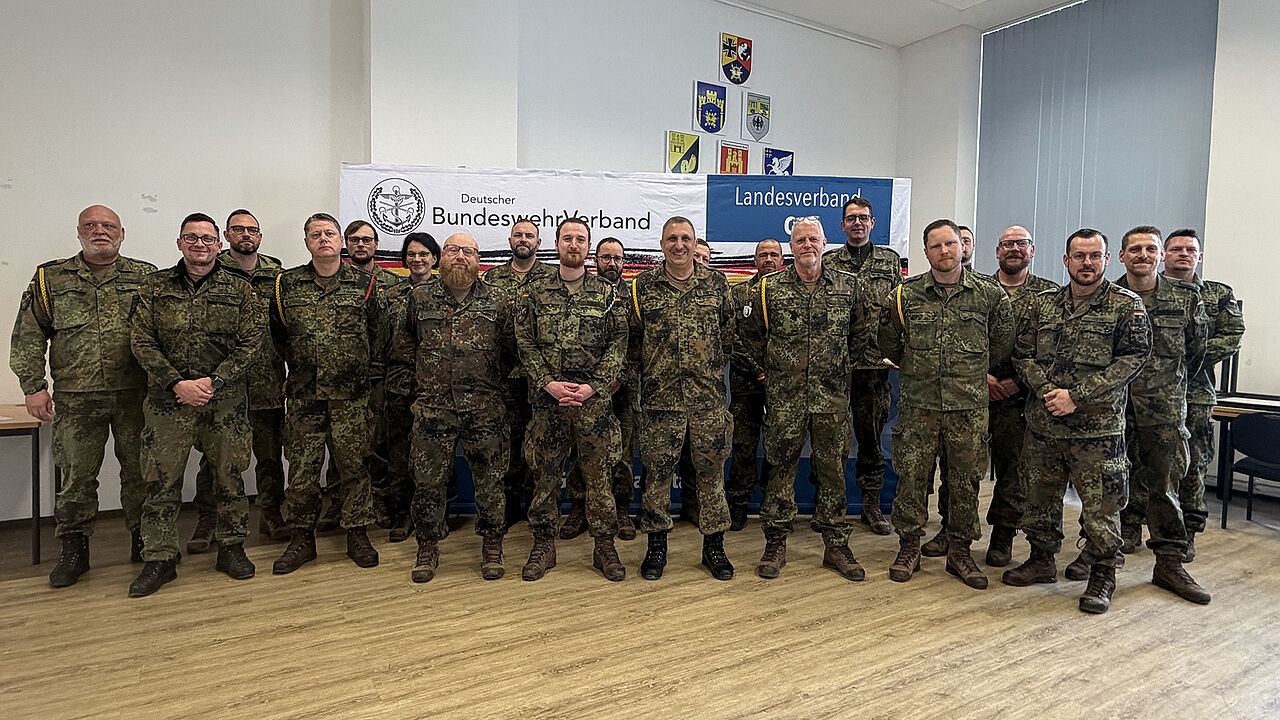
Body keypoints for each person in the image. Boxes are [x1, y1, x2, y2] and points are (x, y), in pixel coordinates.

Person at [1002, 228, 1149, 614]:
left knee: (1101, 506)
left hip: (1096, 430)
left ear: (1106, 259)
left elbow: (1133, 358)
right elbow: (1022, 354)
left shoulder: (1125, 305)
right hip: (1044, 424)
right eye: (1079, 256)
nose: (1087, 263)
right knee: (1039, 497)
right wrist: (1049, 391)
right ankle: (1041, 558)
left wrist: (1076, 397)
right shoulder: (1042, 305)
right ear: (1066, 261)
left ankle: (1102, 573)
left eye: (1094, 256)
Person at [10, 204, 156, 587]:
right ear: (79, 232)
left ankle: (144, 542)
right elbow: (28, 333)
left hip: (135, 395)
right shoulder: (50, 278)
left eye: (108, 225)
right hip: (77, 397)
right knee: (76, 477)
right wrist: (33, 386)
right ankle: (74, 550)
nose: (100, 231)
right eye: (91, 225)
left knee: (141, 473)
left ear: (122, 233)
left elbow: (164, 334)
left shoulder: (146, 277)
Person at [128, 212, 262, 597]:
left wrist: (214, 381)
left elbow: (251, 342)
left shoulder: (238, 289)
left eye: (207, 238)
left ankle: (232, 547)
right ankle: (160, 558)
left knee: (230, 477)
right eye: (191, 238)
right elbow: (141, 340)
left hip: (224, 401)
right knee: (160, 481)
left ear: (219, 244)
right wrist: (177, 383)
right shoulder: (154, 287)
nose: (199, 244)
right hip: (168, 401)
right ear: (179, 243)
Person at [739, 217, 877, 581]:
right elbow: (750, 337)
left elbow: (861, 334)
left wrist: (836, 367)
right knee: (780, 469)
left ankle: (835, 543)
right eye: (800, 240)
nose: (807, 245)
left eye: (813, 239)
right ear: (791, 245)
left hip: (831, 399)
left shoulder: (849, 287)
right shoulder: (769, 290)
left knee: (832, 471)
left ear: (824, 242)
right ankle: (776, 542)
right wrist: (771, 369)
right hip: (785, 399)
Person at [880, 219, 1013, 589]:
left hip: (968, 410)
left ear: (963, 246)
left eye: (950, 244)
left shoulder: (989, 295)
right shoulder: (904, 295)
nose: (944, 251)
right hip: (918, 407)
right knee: (912, 480)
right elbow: (889, 344)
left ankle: (960, 551)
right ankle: (909, 547)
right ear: (926, 252)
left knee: (965, 482)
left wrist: (969, 372)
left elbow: (1001, 345)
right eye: (936, 246)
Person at [393, 233, 515, 582]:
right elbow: (404, 347)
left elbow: (511, 353)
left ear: (479, 260)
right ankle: (427, 548)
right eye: (452, 250)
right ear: (440, 258)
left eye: (468, 251)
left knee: (490, 483)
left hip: (485, 410)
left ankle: (492, 545)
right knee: (428, 484)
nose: (460, 257)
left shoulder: (498, 301)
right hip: (433, 410)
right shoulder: (418, 298)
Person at [270, 212, 385, 574]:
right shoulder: (285, 285)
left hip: (351, 396)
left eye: (329, 233)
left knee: (353, 467)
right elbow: (277, 336)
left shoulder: (365, 284)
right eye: (315, 234)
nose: (323, 239)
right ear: (306, 242)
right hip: (304, 397)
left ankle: (357, 533)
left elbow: (378, 337)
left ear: (341, 241)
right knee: (302, 471)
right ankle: (301, 538)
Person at [514, 217, 628, 581]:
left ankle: (604, 546)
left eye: (580, 239)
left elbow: (618, 345)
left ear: (588, 247)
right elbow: (524, 342)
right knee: (545, 477)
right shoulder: (534, 291)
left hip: (593, 405)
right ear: (557, 244)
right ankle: (543, 545)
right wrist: (548, 383)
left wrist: (594, 386)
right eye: (567, 239)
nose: (573, 245)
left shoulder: (608, 294)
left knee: (598, 478)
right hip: (549, 403)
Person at [631, 217, 736, 581]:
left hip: (707, 403)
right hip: (661, 403)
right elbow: (634, 341)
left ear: (695, 244)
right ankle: (656, 547)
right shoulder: (642, 286)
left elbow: (729, 335)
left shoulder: (717, 284)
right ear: (661, 244)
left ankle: (714, 548)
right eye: (672, 238)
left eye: (685, 238)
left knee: (711, 478)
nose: (679, 245)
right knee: (657, 479)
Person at [1115, 226, 1211, 604]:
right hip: (1115, 409)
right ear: (1121, 256)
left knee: (1166, 489)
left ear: (1160, 255)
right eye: (1134, 249)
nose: (1142, 254)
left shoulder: (1187, 299)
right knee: (1111, 485)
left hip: (1164, 410)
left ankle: (1169, 564)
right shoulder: (1108, 299)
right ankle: (1106, 554)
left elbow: (1195, 354)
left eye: (1150, 248)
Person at [189, 209, 286, 550]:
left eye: (253, 230)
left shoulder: (277, 276)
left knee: (270, 455)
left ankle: (272, 513)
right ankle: (209, 519)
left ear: (259, 237)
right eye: (238, 229)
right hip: (223, 382)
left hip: (267, 379)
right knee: (214, 457)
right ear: (226, 236)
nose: (246, 235)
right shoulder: (210, 272)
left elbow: (288, 328)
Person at [1161, 229, 1244, 560]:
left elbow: (1233, 334)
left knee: (1193, 463)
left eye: (1190, 249)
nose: (1183, 254)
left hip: (1195, 392)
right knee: (1139, 459)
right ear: (1163, 254)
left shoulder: (1217, 294)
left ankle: (1187, 531)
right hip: (1145, 393)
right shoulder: (1145, 293)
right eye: (1176, 249)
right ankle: (1130, 526)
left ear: (1200, 256)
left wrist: (1189, 356)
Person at [823, 197, 902, 535]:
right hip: (835, 367)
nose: (857, 223)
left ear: (873, 223)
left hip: (874, 365)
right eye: (851, 218)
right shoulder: (829, 261)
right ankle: (829, 506)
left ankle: (871, 504)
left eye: (863, 218)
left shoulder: (890, 260)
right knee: (831, 439)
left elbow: (899, 310)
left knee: (870, 438)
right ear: (842, 225)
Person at [981, 226, 1060, 566]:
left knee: (1013, 469)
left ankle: (1003, 534)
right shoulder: (979, 290)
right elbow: (959, 338)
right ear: (997, 251)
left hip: (1022, 399)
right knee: (961, 467)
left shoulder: (1051, 296)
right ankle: (953, 530)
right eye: (1007, 244)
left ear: (1032, 250)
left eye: (1021, 244)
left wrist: (1018, 382)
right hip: (973, 391)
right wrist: (981, 376)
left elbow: (1056, 351)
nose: (1014, 249)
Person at [562, 237, 638, 541]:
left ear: (624, 262)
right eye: (606, 257)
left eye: (617, 258)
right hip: (587, 389)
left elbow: (635, 344)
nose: (612, 263)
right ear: (595, 260)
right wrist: (595, 383)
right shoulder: (585, 291)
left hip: (622, 389)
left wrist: (618, 377)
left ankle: (621, 509)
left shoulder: (633, 296)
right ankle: (579, 507)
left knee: (622, 450)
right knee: (583, 449)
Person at [484, 219, 557, 528]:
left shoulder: (552, 277)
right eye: (518, 234)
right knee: (508, 442)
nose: (523, 239)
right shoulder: (491, 278)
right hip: (504, 376)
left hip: (543, 378)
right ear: (510, 239)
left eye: (529, 235)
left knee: (542, 442)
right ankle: (511, 503)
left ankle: (538, 505)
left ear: (539, 243)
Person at [381, 232, 441, 543]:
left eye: (424, 254)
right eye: (412, 254)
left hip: (436, 389)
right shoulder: (391, 294)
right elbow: (380, 340)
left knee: (436, 454)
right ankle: (403, 514)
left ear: (435, 258)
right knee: (400, 453)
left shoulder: (447, 294)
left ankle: (436, 515)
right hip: (400, 385)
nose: (417, 259)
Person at [726, 238, 783, 530]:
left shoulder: (791, 292)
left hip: (784, 386)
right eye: (764, 255)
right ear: (755, 260)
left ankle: (774, 505)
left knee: (779, 445)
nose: (769, 259)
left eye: (774, 254)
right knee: (743, 446)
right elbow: (730, 337)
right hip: (746, 382)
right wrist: (759, 370)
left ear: (782, 259)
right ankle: (738, 504)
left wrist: (776, 372)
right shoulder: (737, 294)